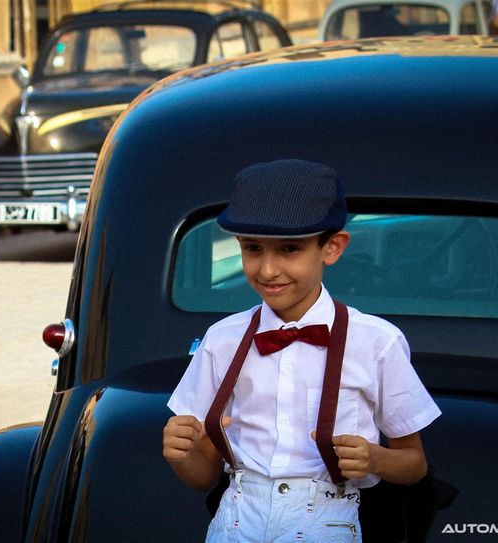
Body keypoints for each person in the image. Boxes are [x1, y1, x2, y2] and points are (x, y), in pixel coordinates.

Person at [162, 159, 441, 542]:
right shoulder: (222, 340)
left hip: (326, 520)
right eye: (253, 248)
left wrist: (374, 458)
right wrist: (181, 454)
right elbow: (202, 476)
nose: (268, 269)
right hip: (236, 521)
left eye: (290, 249)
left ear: (333, 247)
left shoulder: (377, 342)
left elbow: (415, 465)